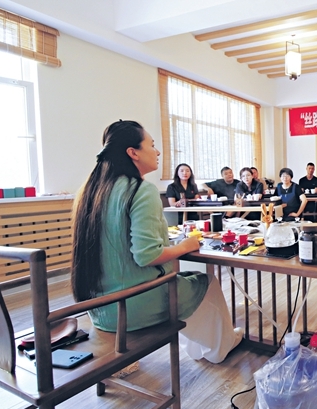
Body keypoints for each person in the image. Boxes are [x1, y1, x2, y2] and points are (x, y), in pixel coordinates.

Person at [71, 120, 242, 364]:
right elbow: (147, 255)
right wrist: (186, 245)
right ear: (133, 153)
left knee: (188, 281)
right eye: (152, 145)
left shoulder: (90, 192)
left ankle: (203, 347)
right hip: (134, 304)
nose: (158, 151)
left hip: (101, 308)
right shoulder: (140, 190)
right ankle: (220, 347)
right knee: (205, 282)